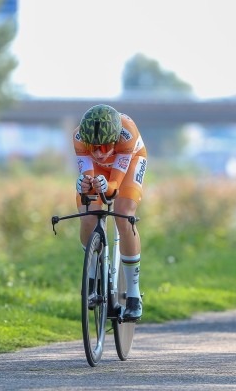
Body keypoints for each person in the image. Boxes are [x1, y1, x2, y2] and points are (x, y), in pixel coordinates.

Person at [74, 104, 147, 321]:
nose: (97, 152)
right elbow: (88, 174)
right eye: (92, 147)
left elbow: (114, 184)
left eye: (104, 147)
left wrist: (109, 186)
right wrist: (85, 184)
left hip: (130, 162)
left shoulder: (127, 133)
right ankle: (92, 275)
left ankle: (133, 295)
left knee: (123, 215)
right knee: (88, 214)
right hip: (99, 170)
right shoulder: (78, 137)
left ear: (114, 139)